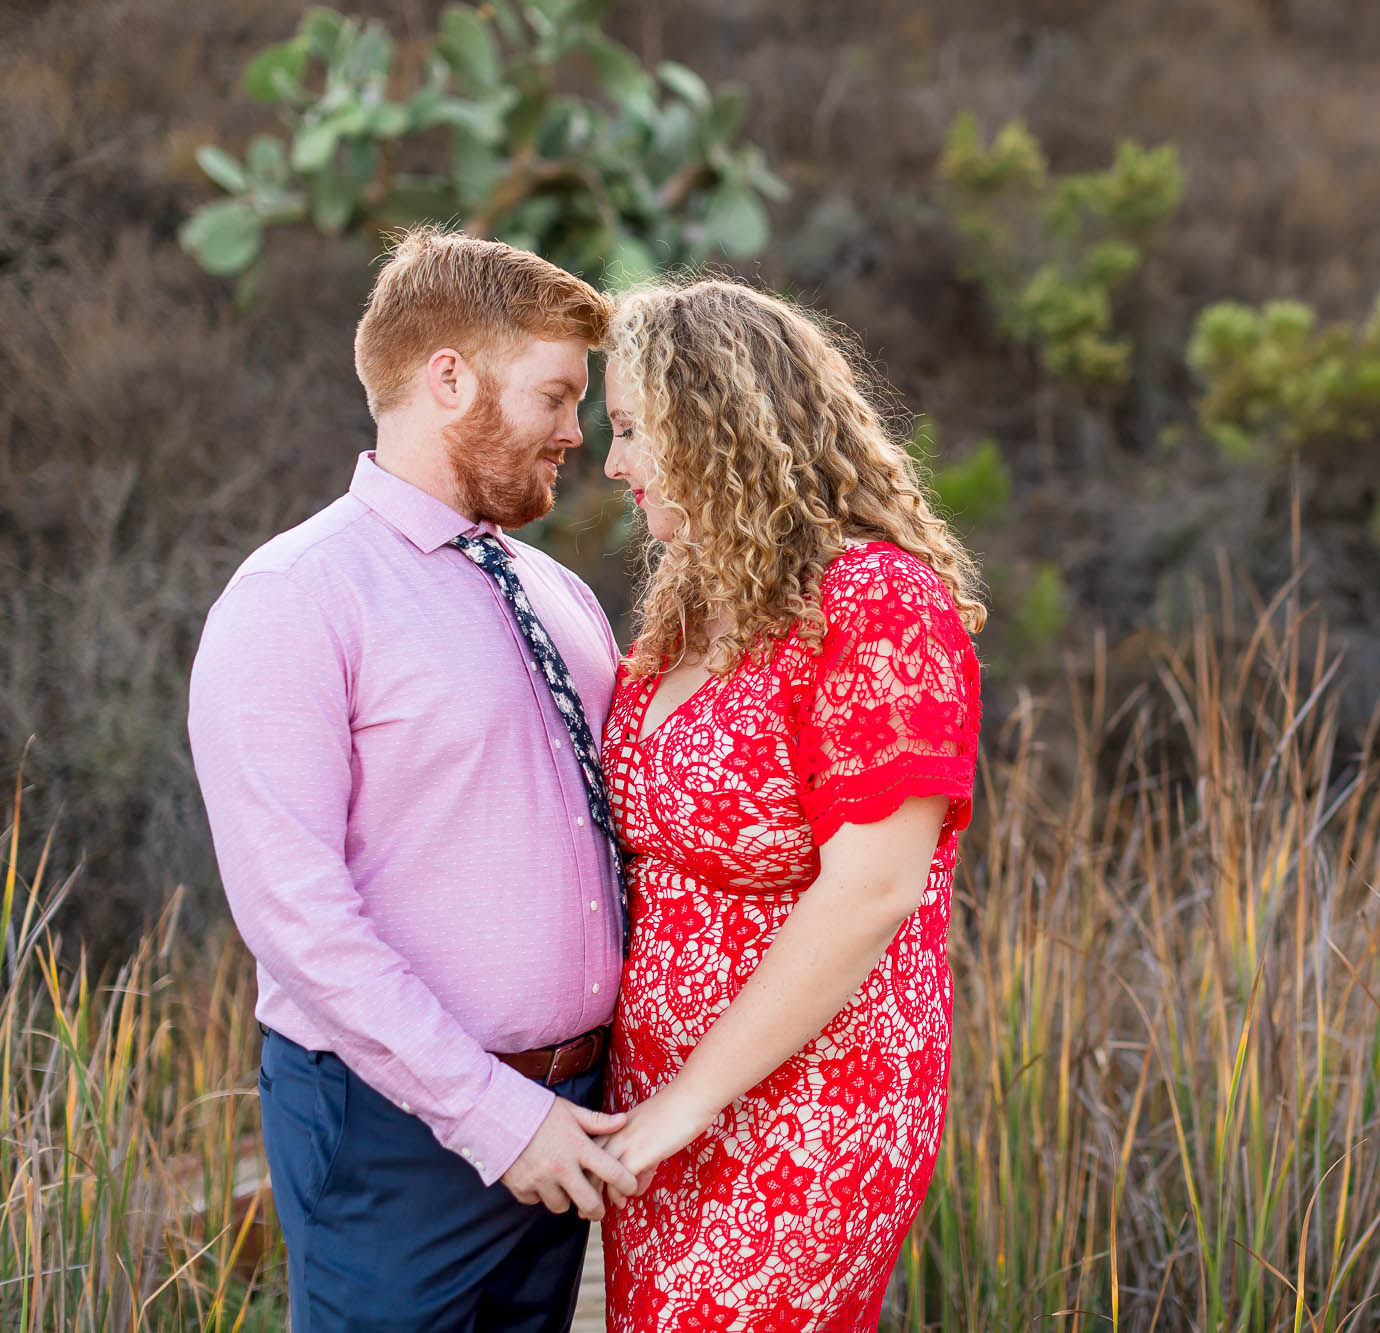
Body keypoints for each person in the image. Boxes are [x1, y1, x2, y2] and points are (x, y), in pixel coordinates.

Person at [187, 227, 639, 1332]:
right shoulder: (296, 594)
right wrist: (493, 1114)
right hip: (397, 1127)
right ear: (450, 378)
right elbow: (293, 914)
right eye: (554, 395)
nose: (575, 432)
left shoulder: (559, 594)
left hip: (573, 1112)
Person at [593, 278, 985, 1330]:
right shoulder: (688, 611)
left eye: (631, 430)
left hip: (816, 1103)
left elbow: (874, 887)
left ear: (712, 425)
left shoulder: (877, 600)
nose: (613, 463)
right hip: (662, 1108)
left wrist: (685, 1103)